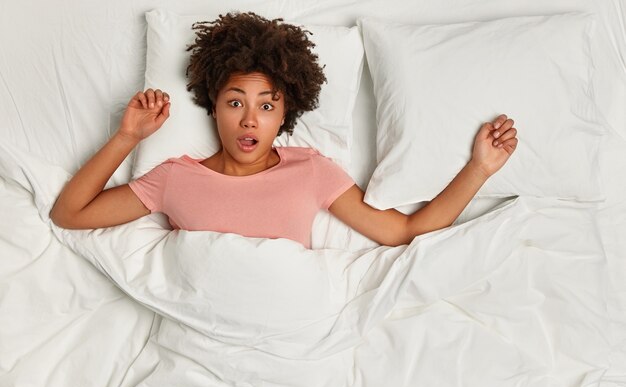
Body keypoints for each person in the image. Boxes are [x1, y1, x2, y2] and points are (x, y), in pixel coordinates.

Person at [50, 12, 518, 248]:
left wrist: (479, 170)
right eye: (235, 103)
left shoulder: (312, 171)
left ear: (284, 115)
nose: (250, 119)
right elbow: (69, 215)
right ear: (214, 107)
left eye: (266, 106)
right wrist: (127, 137)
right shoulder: (175, 178)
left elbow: (404, 231)